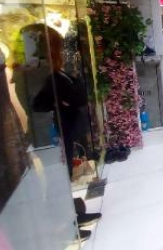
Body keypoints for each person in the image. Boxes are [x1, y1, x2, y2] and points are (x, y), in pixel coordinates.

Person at [32, 27, 101, 241]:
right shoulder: (43, 73)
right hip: (56, 133)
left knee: (64, 175)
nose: (65, 51)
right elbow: (38, 104)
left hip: (66, 129)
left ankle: (71, 214)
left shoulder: (57, 72)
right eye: (61, 47)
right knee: (57, 178)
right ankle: (63, 227)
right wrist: (60, 101)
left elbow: (76, 94)